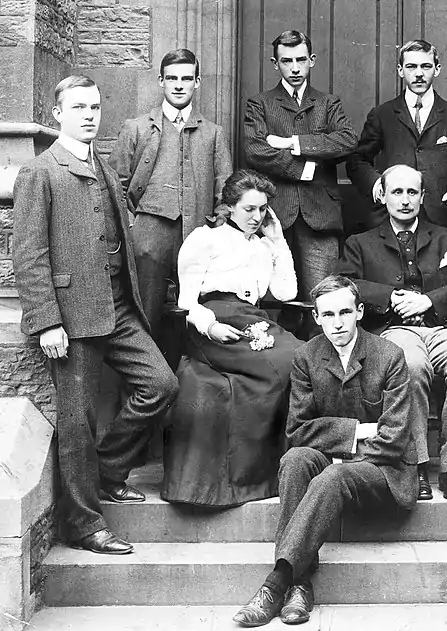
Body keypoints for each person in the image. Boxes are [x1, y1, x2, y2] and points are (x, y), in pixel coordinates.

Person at [12, 75, 179, 555]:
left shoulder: (102, 164)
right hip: (71, 315)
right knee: (77, 419)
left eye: (95, 106)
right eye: (79, 107)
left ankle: (106, 472)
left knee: (160, 385)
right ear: (57, 112)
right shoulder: (41, 172)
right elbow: (29, 254)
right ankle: (82, 523)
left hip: (119, 306)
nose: (89, 115)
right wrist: (46, 321)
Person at [232, 275, 416, 627]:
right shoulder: (306, 357)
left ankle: (277, 582)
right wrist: (357, 432)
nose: (337, 323)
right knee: (296, 459)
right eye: (327, 314)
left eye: (345, 312)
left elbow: (393, 438)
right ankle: (300, 584)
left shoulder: (389, 355)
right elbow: (298, 430)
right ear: (316, 317)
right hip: (339, 464)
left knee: (332, 473)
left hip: (384, 473)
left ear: (360, 312)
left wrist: (338, 451)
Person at [338, 164, 447, 502]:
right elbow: (346, 285)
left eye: (411, 193)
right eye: (397, 192)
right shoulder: (361, 243)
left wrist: (428, 301)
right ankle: (416, 466)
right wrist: (389, 297)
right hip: (393, 330)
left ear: (422, 196)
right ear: (383, 196)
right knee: (410, 364)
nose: (404, 200)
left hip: (443, 328)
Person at [161, 169, 301, 507]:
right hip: (211, 325)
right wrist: (210, 326)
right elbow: (186, 301)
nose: (257, 217)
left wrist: (278, 242)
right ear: (230, 206)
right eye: (249, 209)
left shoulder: (264, 245)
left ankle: (271, 474)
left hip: (253, 320)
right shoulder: (205, 238)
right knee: (286, 363)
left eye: (263, 209)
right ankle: (252, 478)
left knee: (303, 358)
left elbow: (286, 291)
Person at [109, 48, 233, 345]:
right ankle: (144, 383)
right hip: (147, 238)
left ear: (197, 82)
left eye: (186, 78)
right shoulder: (136, 128)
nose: (179, 85)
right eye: (172, 78)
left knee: (195, 314)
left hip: (197, 236)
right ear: (161, 81)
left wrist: (217, 230)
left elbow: (226, 191)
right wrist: (132, 227)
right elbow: (114, 185)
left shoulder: (214, 133)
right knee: (144, 314)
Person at [243, 30, 357, 301]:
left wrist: (291, 142)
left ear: (312, 60)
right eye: (286, 61)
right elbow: (255, 150)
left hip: (320, 216)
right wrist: (305, 168)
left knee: (323, 298)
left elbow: (347, 140)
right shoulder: (260, 104)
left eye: (301, 60)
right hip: (274, 214)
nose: (294, 68)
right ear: (275, 63)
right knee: (271, 301)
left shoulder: (328, 103)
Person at [346, 39, 447, 227]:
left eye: (425, 66)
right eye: (411, 66)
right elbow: (356, 160)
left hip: (440, 219)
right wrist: (377, 186)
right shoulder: (382, 115)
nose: (418, 74)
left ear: (437, 69)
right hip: (389, 219)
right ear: (400, 70)